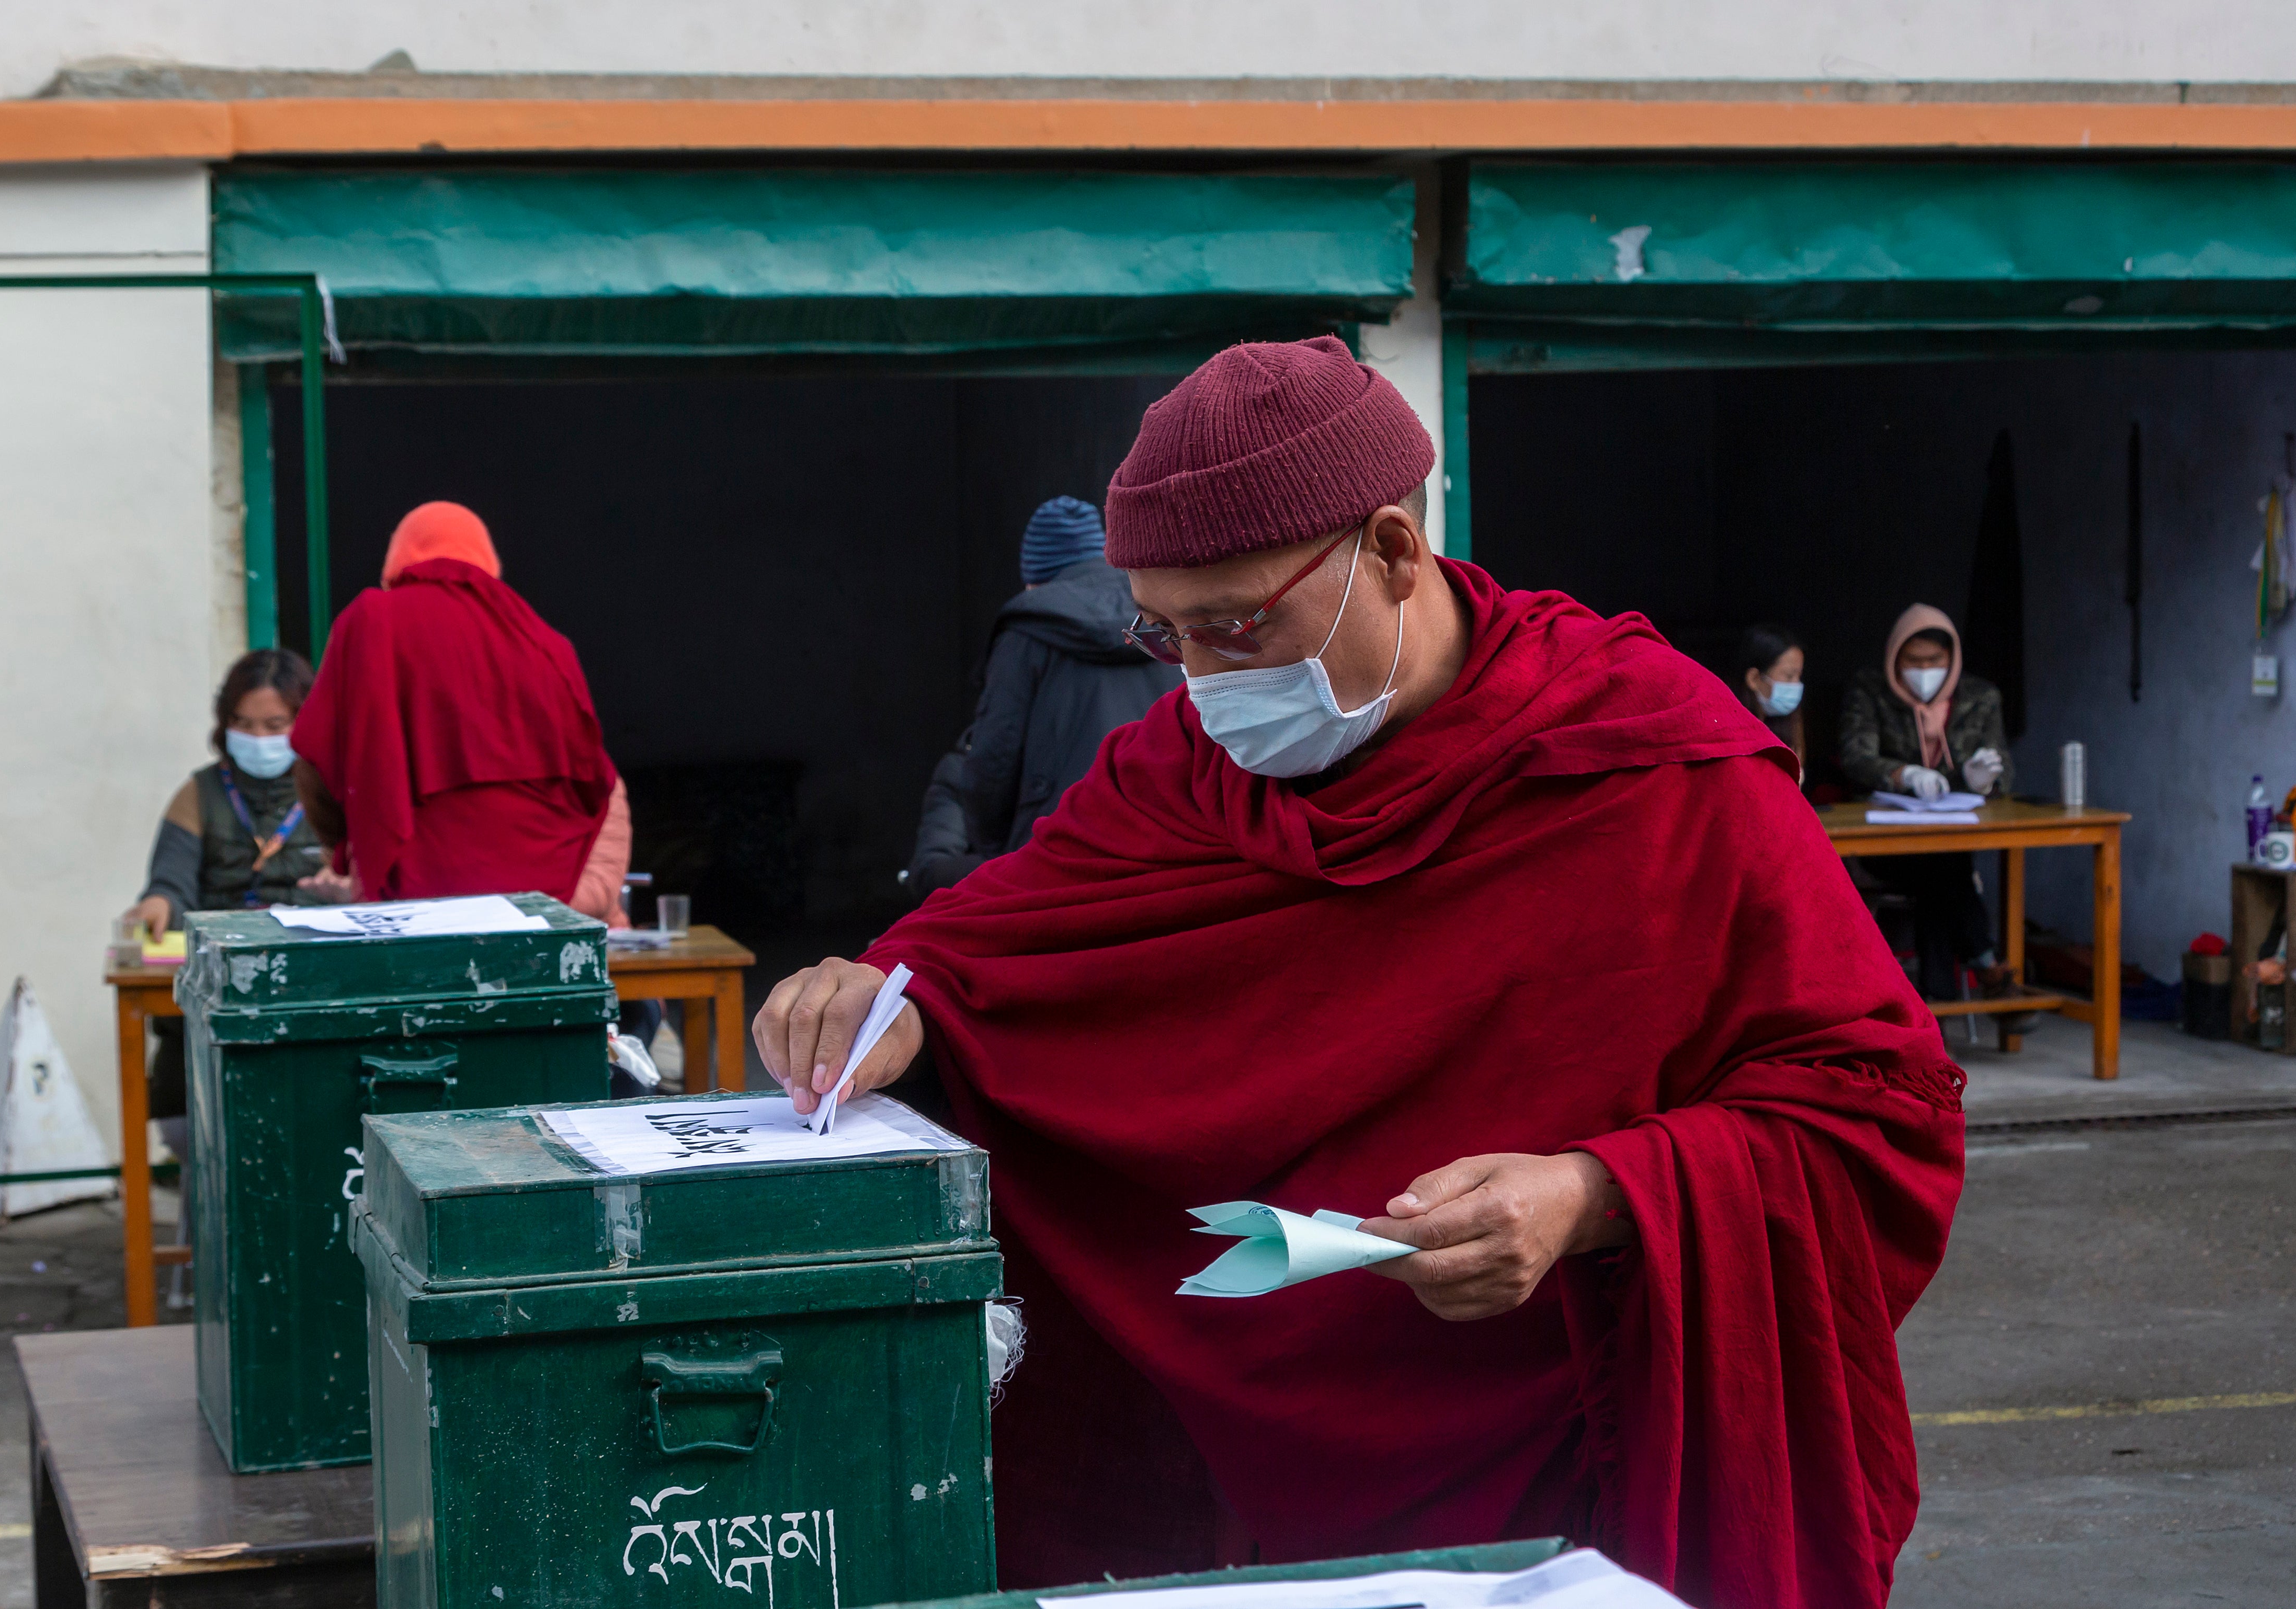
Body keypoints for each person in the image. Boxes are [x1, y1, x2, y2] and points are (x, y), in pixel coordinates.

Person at [756, 337, 1963, 1609]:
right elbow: (993, 944)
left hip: (1570, 1480)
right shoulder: (1180, 771)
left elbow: (1874, 1107)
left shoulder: (1648, 765)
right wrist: (878, 993)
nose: (1208, 685)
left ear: (1391, 550)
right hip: (1251, 1503)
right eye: (1164, 636)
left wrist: (1596, 1192)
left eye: (1235, 624)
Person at [290, 501, 621, 906]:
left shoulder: (374, 619)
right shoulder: (547, 643)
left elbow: (316, 757)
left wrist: (344, 845)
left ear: (398, 559)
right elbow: (591, 779)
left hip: (412, 886)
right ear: (488, 562)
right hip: (539, 896)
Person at [906, 497, 1180, 899]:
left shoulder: (1027, 630)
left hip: (1057, 861)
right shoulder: (1161, 621)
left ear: (1036, 577)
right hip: (1164, 855)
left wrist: (998, 851)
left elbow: (993, 762)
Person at [124, 648, 332, 1142]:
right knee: (186, 1129)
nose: (258, 738)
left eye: (274, 724)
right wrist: (158, 904)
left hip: (307, 983)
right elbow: (171, 881)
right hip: (215, 982)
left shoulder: (332, 791)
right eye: (243, 723)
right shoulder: (198, 793)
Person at [1839, 603, 2014, 1000]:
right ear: (1895, 656)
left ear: (1952, 658)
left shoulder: (1980, 698)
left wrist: (1981, 779)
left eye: (1935, 660)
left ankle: (1937, 1005)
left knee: (1940, 867)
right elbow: (1856, 757)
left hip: (1951, 839)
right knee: (1945, 868)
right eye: (1913, 660)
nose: (1924, 669)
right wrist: (1905, 774)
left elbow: (2005, 770)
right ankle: (1985, 964)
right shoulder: (1871, 691)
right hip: (1885, 845)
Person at [1730, 621, 1806, 778]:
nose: (1796, 685)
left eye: (1799, 676)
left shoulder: (1791, 724)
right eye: (1789, 676)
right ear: (1754, 678)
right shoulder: (1731, 733)